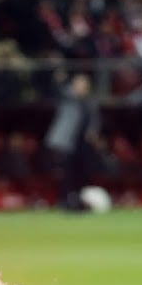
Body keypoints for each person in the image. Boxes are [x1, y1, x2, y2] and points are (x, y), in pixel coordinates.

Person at [44, 73, 101, 211]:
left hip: (81, 145)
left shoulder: (89, 102)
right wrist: (59, 78)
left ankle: (79, 201)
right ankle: (64, 201)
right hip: (64, 144)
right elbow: (58, 88)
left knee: (81, 173)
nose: (82, 88)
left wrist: (92, 132)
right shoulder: (67, 97)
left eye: (85, 86)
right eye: (79, 85)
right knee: (65, 174)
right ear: (74, 86)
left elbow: (95, 120)